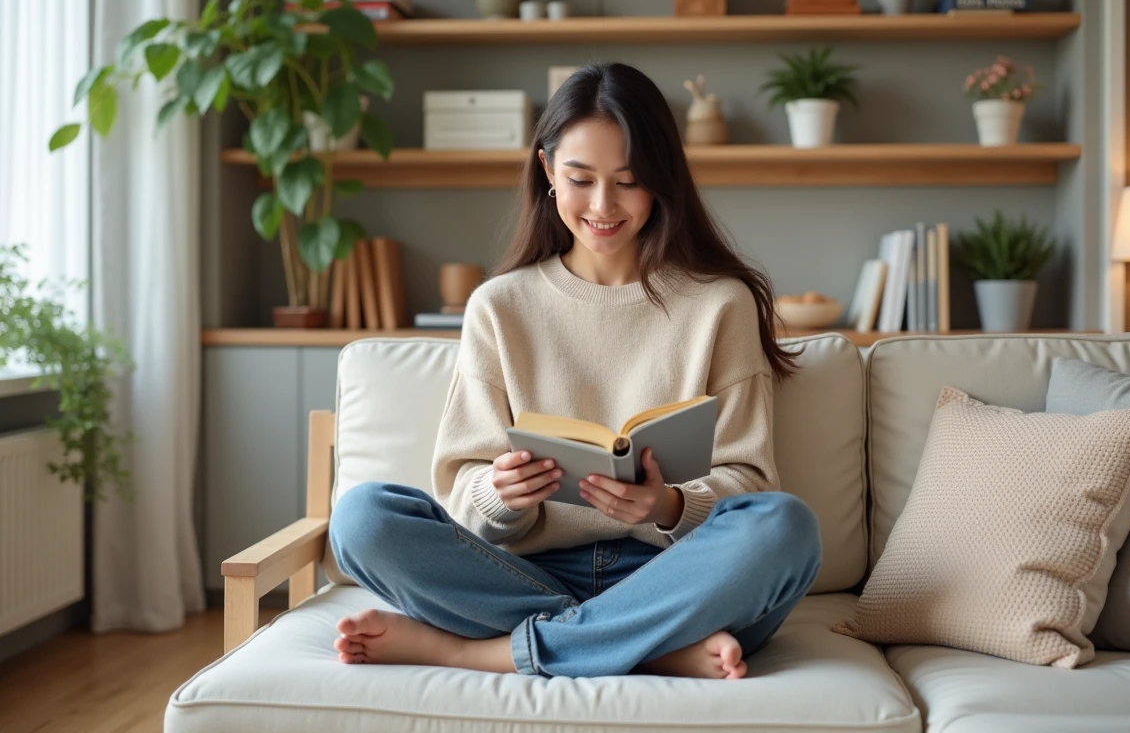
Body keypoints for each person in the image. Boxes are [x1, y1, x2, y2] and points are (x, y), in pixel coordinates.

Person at [328, 62, 822, 680]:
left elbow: (752, 483)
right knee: (362, 519)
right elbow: (464, 491)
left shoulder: (720, 303)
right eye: (580, 179)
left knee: (787, 528)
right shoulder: (500, 305)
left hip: (677, 577)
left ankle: (476, 652)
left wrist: (666, 505)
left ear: (662, 180)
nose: (603, 206)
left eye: (628, 181)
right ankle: (648, 649)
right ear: (546, 171)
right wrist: (501, 495)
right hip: (527, 573)